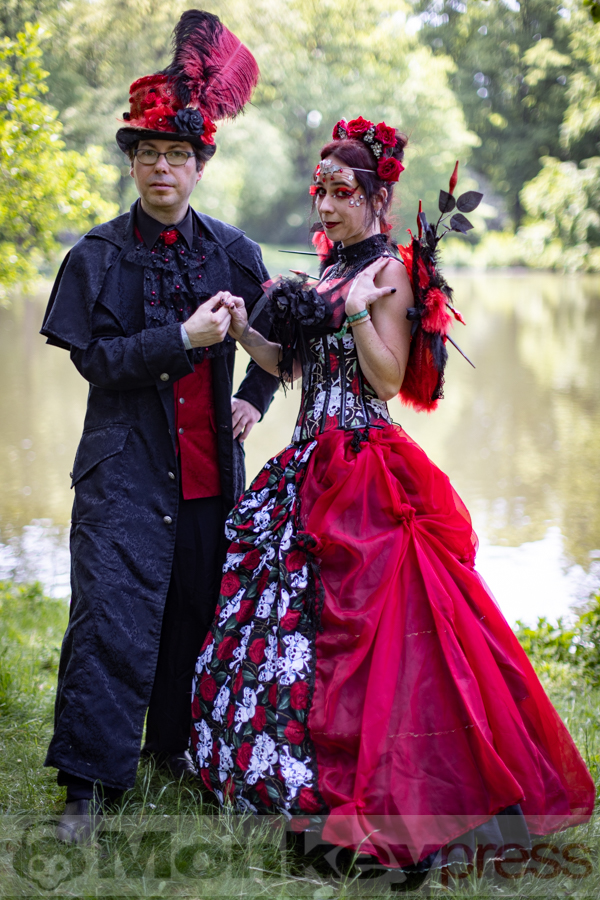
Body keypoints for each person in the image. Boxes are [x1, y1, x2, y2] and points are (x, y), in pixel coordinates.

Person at [190, 116, 595, 878]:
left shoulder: (390, 272)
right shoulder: (328, 273)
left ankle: (384, 786)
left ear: (377, 200)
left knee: (376, 630)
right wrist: (247, 331)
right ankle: (276, 774)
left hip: (363, 464)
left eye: (343, 193)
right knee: (278, 621)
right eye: (322, 192)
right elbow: (291, 364)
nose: (327, 207)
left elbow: (383, 379)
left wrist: (352, 312)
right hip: (307, 459)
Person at [40, 10, 278, 841]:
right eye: (147, 154)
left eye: (177, 154)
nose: (161, 168)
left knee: (192, 610)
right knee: (107, 617)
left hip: (211, 467)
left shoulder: (236, 251)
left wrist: (255, 394)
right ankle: (86, 787)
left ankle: (172, 753)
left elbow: (276, 340)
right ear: (132, 163)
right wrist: (181, 340)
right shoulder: (96, 257)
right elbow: (97, 363)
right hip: (121, 466)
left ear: (200, 165)